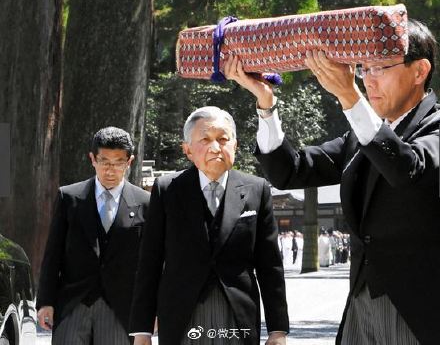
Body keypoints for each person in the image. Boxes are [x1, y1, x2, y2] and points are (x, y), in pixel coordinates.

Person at [225, 18, 440, 345]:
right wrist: (265, 104)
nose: (369, 81)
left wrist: (349, 96)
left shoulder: (434, 130)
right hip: (359, 304)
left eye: (379, 67)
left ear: (419, 71)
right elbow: (289, 171)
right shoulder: (360, 137)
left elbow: (406, 169)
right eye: (363, 69)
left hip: (419, 311)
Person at [129, 106, 289, 345]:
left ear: (234, 145)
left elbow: (270, 265)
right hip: (182, 314)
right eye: (205, 139)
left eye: (223, 139)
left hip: (237, 315)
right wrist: (142, 329)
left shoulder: (257, 189)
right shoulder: (167, 190)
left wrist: (278, 330)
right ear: (188, 150)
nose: (216, 147)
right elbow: (150, 261)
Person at [37, 127, 150, 345]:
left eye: (118, 162)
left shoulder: (145, 202)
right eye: (104, 161)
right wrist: (45, 302)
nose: (110, 169)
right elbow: (53, 254)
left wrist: (150, 312)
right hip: (73, 304)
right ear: (92, 159)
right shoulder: (69, 197)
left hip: (121, 308)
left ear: (130, 162)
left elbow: (152, 263)